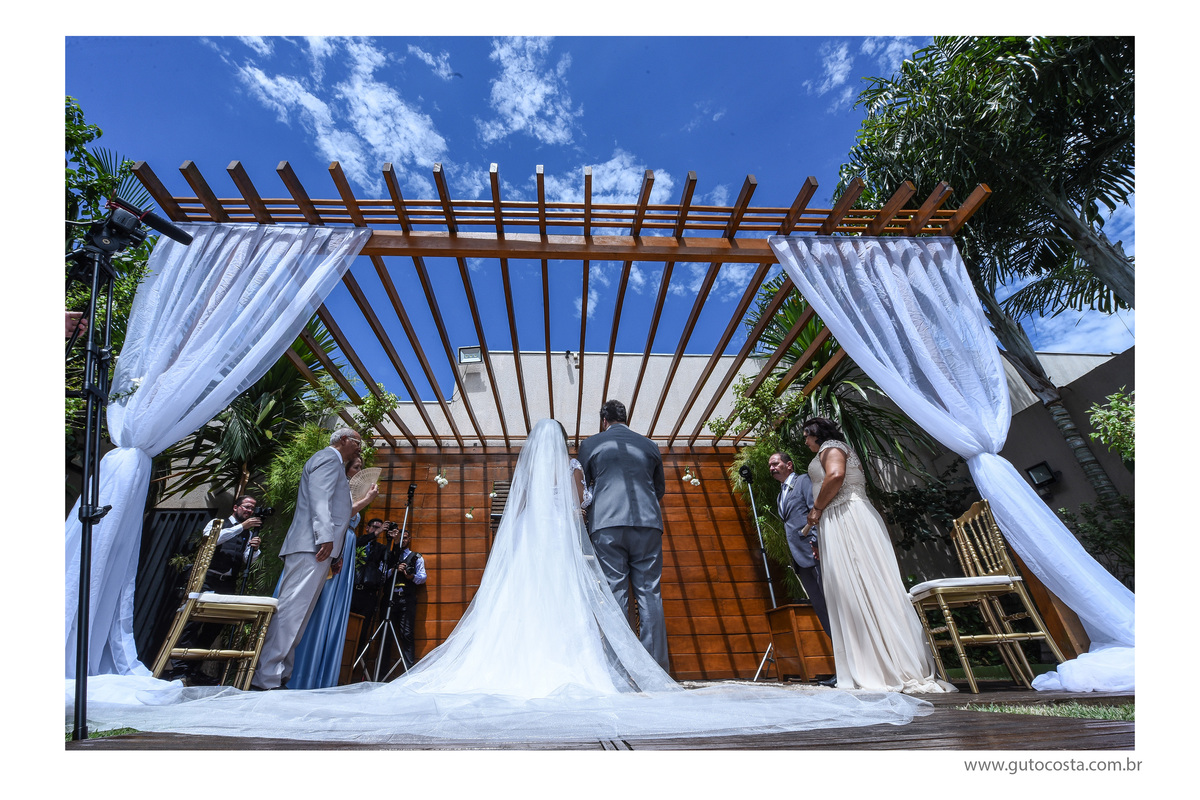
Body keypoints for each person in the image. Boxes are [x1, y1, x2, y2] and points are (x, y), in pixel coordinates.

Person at [82, 418, 934, 743]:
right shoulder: (629, 453)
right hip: (632, 529)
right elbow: (638, 487)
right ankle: (649, 669)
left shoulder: (577, 462)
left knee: (587, 593)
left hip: (593, 534)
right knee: (636, 595)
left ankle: (629, 665)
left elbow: (582, 497)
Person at [802, 417, 954, 694]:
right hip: (841, 516)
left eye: (806, 436)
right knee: (854, 587)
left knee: (862, 582)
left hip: (846, 517)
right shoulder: (834, 448)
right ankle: (873, 660)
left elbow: (835, 476)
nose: (805, 441)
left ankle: (887, 664)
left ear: (816, 433)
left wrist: (817, 509)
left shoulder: (831, 447)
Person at [251, 428, 361, 691]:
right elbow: (319, 501)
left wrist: (336, 554)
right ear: (343, 440)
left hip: (321, 550)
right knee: (290, 612)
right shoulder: (327, 458)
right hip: (311, 546)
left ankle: (280, 675)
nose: (360, 448)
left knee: (300, 616)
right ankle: (265, 677)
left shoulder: (336, 464)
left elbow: (338, 513)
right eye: (358, 442)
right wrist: (325, 538)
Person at [576, 399, 668, 670]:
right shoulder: (649, 445)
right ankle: (656, 669)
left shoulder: (591, 444)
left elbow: (582, 488)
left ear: (604, 421)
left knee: (615, 591)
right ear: (626, 419)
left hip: (607, 524)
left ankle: (621, 669)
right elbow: (659, 489)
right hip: (647, 523)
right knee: (650, 592)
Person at [287, 454, 379, 689]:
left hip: (344, 547)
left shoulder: (348, 490)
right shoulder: (337, 487)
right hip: (331, 543)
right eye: (356, 467)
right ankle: (301, 670)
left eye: (361, 468)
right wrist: (367, 500)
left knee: (334, 607)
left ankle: (322, 673)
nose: (359, 472)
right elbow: (339, 514)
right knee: (318, 602)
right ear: (345, 468)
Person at [164, 495, 265, 684]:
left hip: (227, 583)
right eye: (246, 507)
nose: (249, 511)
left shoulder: (248, 533)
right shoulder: (218, 523)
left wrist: (255, 549)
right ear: (235, 507)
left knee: (214, 627)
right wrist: (242, 527)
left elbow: (247, 559)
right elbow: (212, 539)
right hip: (206, 580)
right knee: (192, 623)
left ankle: (193, 669)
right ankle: (179, 669)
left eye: (252, 508)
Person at [767, 451, 831, 637]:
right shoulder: (780, 495)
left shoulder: (803, 481)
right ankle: (839, 648)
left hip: (814, 552)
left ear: (789, 465)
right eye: (770, 466)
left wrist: (816, 541)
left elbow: (814, 510)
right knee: (820, 608)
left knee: (831, 601)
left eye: (775, 464)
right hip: (800, 559)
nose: (772, 468)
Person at [378, 525, 427, 673]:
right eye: (400, 538)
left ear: (409, 539)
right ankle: (381, 672)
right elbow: (380, 575)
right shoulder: (388, 555)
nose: (403, 541)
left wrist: (411, 576)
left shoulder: (416, 557)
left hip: (407, 599)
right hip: (389, 598)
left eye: (405, 538)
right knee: (385, 635)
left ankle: (408, 670)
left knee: (407, 634)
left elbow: (423, 577)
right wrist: (394, 569)